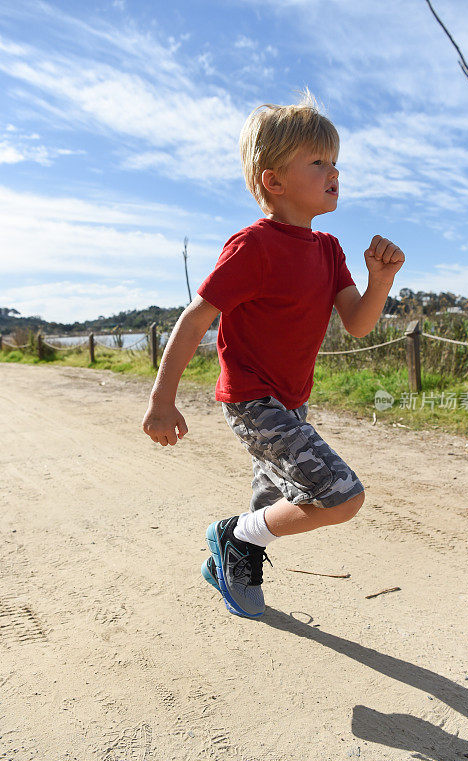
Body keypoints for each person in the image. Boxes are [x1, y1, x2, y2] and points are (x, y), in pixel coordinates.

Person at [142, 89, 405, 620]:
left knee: (274, 506)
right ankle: (231, 538)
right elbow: (195, 319)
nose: (334, 172)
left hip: (291, 401)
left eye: (335, 163)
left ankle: (235, 555)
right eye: (318, 162)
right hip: (250, 399)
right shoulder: (253, 247)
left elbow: (357, 324)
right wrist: (162, 401)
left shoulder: (328, 250)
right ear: (274, 180)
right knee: (340, 494)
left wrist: (381, 280)